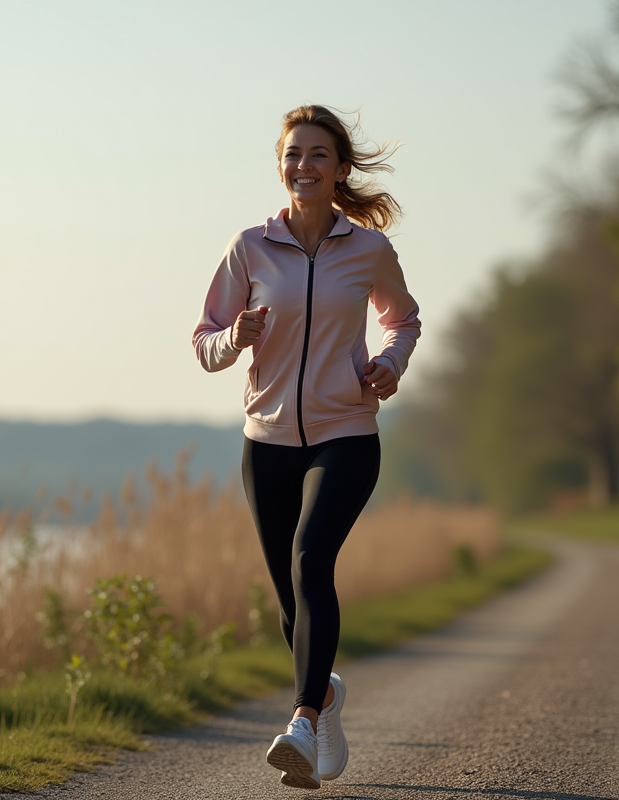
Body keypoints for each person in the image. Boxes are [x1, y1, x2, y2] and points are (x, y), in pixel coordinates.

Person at [192, 105, 420, 789]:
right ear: (281, 165)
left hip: (346, 433)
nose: (304, 167)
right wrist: (237, 336)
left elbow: (403, 319)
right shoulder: (250, 248)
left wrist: (390, 363)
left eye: (318, 155)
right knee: (293, 600)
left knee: (309, 558)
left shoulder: (368, 250)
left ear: (341, 168)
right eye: (293, 155)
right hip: (266, 443)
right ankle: (323, 698)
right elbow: (203, 343)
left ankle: (299, 720)